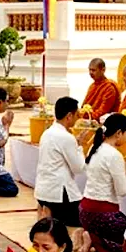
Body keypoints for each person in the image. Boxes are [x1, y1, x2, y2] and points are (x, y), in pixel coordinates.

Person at [79, 113, 126, 252]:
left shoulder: (96, 147)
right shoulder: (114, 155)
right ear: (119, 133)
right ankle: (93, 240)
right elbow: (123, 190)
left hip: (85, 212)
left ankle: (89, 235)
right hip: (103, 215)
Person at [34, 97, 88, 242]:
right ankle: (51, 216)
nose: (77, 119)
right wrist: (79, 147)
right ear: (69, 116)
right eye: (76, 115)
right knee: (87, 220)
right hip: (59, 194)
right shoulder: (66, 137)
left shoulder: (47, 133)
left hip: (43, 190)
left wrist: (75, 144)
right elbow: (78, 167)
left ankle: (47, 212)